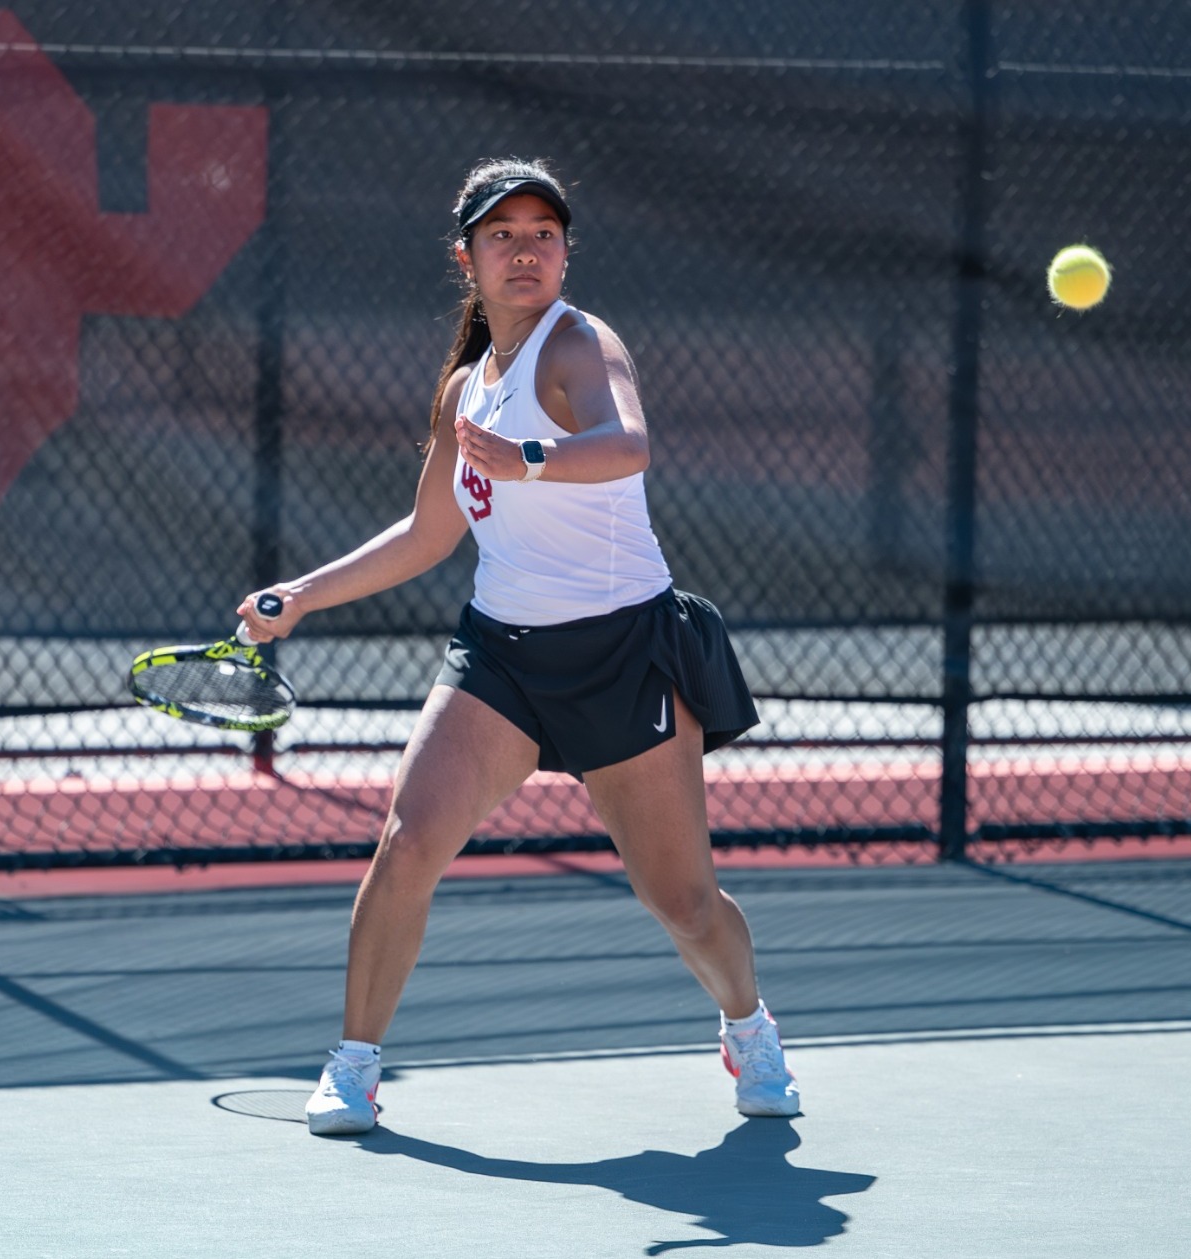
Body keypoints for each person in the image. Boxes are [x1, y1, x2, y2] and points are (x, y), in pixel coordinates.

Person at [235, 158, 800, 1137]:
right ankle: (354, 1064)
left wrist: (531, 456)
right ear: (467, 259)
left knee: (682, 902)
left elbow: (627, 444)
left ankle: (747, 1026)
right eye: (502, 235)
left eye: (543, 233)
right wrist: (303, 596)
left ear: (565, 251)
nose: (525, 250)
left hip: (623, 651)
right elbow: (426, 535)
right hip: (498, 655)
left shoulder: (581, 342)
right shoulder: (466, 386)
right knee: (408, 841)